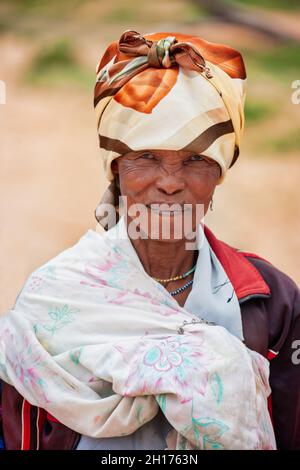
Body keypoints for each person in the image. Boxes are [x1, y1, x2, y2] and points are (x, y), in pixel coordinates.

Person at [0, 29, 299, 450]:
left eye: (196, 160)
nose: (170, 183)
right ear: (116, 168)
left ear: (219, 172)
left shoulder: (271, 303)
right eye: (147, 158)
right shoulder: (51, 302)